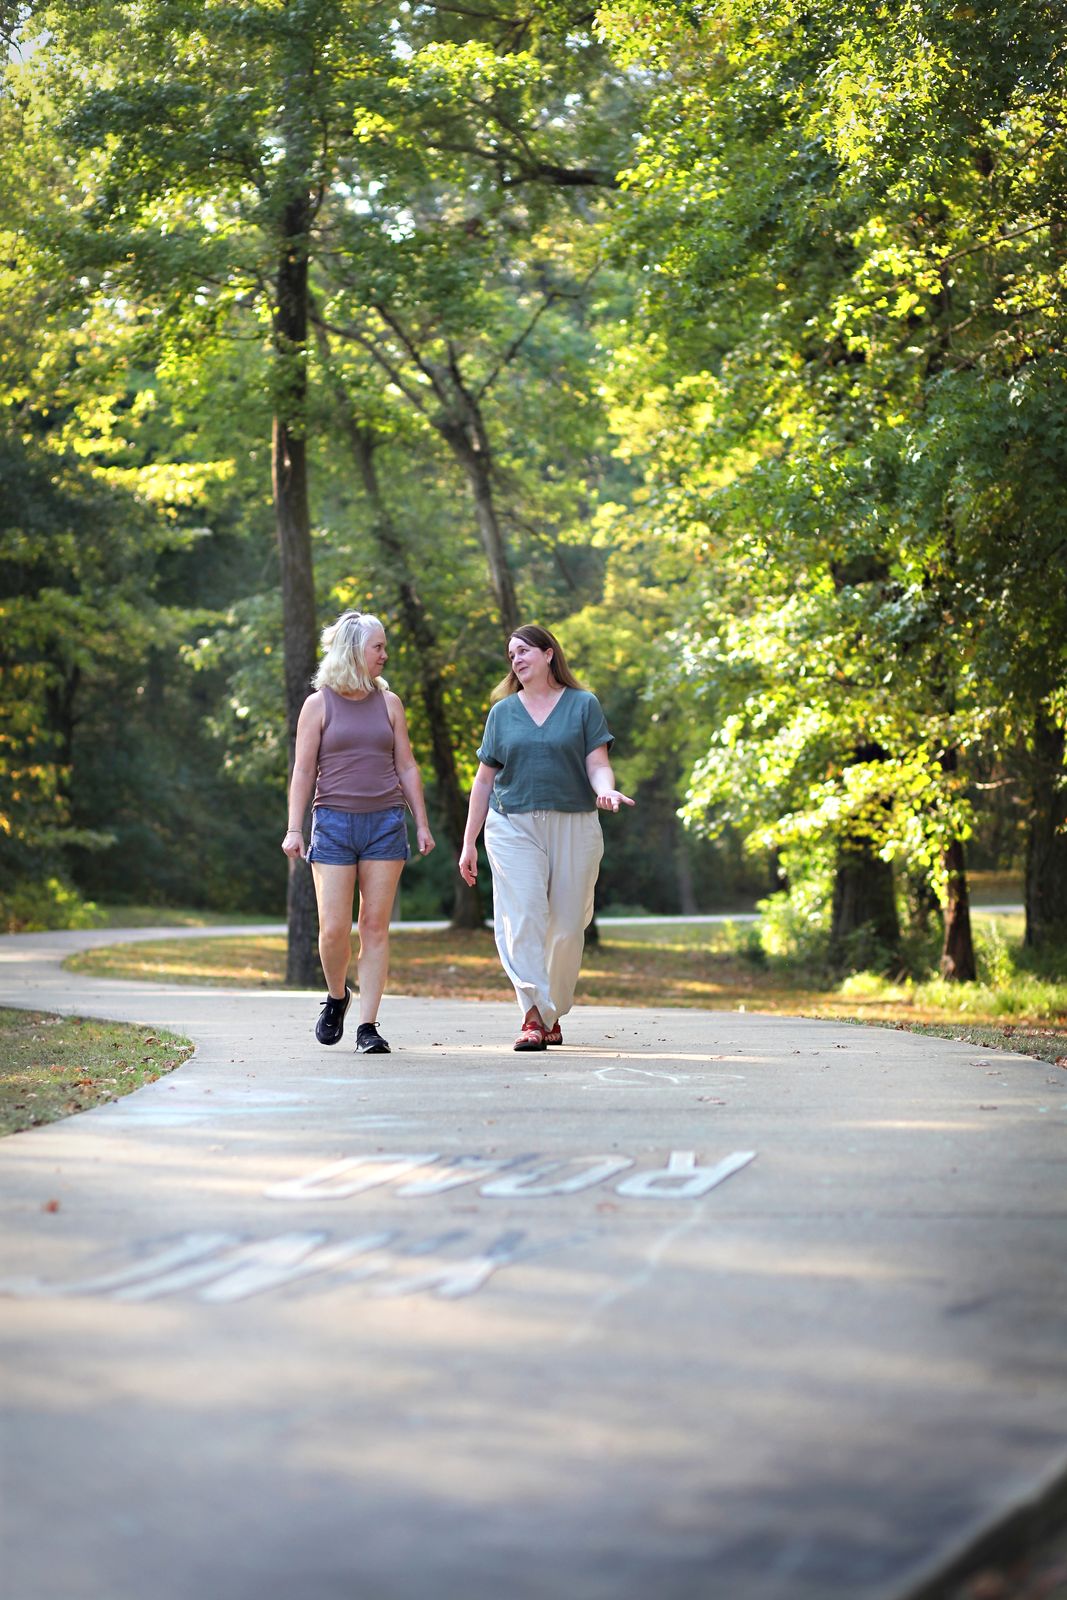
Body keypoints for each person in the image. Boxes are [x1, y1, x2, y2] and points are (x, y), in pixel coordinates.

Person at [458, 623, 634, 1051]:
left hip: (574, 822)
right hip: (512, 824)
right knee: (524, 916)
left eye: (524, 651)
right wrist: (469, 842)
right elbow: (483, 783)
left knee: (568, 926)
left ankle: (552, 1011)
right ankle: (533, 1016)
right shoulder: (502, 713)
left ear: (548, 653)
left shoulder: (582, 705)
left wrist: (605, 790)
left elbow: (597, 763)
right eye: (511, 654)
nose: (516, 660)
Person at [282, 610, 434, 1053]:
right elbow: (303, 770)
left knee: (374, 927)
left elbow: (406, 765)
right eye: (379, 647)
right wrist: (295, 829)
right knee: (332, 930)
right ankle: (337, 997)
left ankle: (368, 1026)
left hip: (385, 823)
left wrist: (421, 822)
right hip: (332, 824)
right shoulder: (318, 704)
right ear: (354, 651)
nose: (386, 655)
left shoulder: (390, 704)